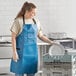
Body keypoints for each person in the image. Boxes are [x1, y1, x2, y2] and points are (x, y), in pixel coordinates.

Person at [10, 1, 54, 76]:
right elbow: (13, 37)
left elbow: (40, 36)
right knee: (19, 73)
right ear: (27, 11)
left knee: (31, 73)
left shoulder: (36, 21)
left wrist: (51, 42)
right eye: (32, 12)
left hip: (33, 54)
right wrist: (14, 52)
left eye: (35, 13)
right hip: (21, 53)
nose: (34, 14)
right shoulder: (18, 21)